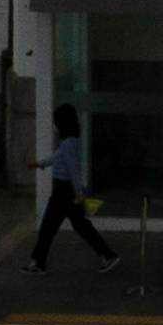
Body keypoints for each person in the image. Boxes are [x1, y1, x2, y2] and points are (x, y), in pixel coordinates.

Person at [30, 116, 122, 270]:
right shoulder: (68, 143)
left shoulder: (68, 144)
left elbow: (73, 170)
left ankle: (38, 263)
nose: (54, 126)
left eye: (56, 122)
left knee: (49, 226)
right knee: (79, 226)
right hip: (65, 191)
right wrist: (39, 164)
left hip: (63, 192)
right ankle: (108, 255)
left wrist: (79, 193)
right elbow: (55, 158)